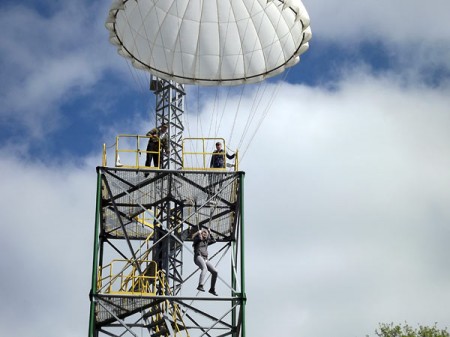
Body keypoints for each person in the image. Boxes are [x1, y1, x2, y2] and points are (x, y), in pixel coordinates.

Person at [192, 228, 218, 296]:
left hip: (205, 259)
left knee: (215, 272)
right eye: (204, 233)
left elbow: (214, 241)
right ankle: (200, 285)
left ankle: (212, 289)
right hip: (198, 257)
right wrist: (199, 233)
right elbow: (199, 239)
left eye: (206, 233)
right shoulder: (197, 240)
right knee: (205, 268)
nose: (205, 234)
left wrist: (210, 233)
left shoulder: (206, 242)